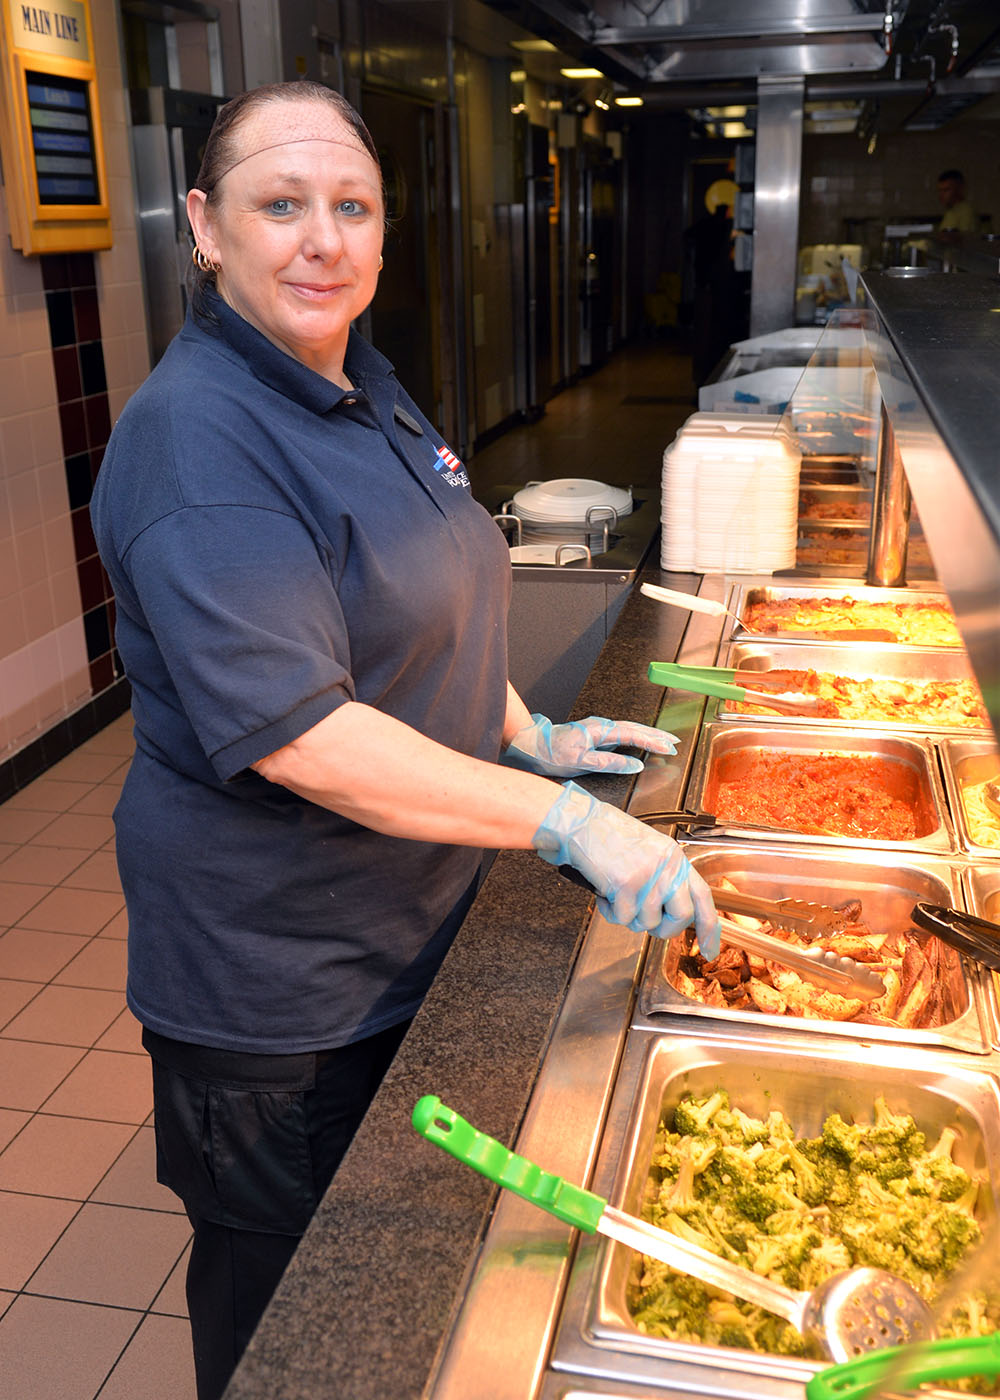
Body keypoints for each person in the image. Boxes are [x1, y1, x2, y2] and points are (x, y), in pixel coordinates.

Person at [90, 80, 720, 1400]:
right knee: (302, 1346)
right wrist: (563, 819)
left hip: (405, 933)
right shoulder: (197, 444)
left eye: (352, 207)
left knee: (394, 1313)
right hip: (283, 1001)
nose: (322, 239)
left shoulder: (357, 377)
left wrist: (529, 733)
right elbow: (307, 737)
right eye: (281, 204)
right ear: (205, 227)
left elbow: (428, 596)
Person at [936, 168, 977, 241]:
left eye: (946, 190)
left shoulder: (966, 211)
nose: (941, 195)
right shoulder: (951, 211)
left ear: (959, 188)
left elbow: (964, 241)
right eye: (940, 190)